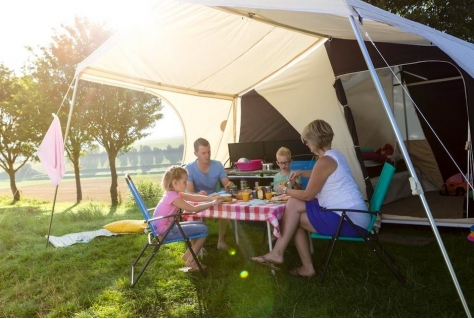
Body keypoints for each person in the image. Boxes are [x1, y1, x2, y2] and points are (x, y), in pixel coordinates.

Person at [252, 119, 370, 277]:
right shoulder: (335, 156)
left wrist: (285, 189)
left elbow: (308, 195)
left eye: (307, 141)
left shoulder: (324, 161)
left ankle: (280, 254)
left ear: (315, 139)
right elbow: (325, 174)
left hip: (349, 221)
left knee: (293, 212)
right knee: (294, 213)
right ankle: (287, 258)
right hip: (355, 215)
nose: (306, 144)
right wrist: (302, 173)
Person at [151, 165, 221, 271]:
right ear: (175, 182)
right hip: (166, 232)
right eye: (184, 182)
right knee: (204, 229)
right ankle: (191, 261)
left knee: (201, 225)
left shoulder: (172, 193)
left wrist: (211, 197)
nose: (186, 184)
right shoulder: (173, 197)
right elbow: (193, 209)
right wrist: (212, 203)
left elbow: (193, 197)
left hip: (164, 229)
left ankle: (188, 255)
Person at [184, 138, 234, 251]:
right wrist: (199, 195)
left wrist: (230, 186)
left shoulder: (218, 165)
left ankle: (221, 242)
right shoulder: (189, 168)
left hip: (214, 197)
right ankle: (197, 245)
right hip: (197, 198)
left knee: (225, 208)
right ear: (195, 153)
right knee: (193, 209)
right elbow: (190, 192)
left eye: (209, 152)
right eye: (203, 153)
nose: (207, 155)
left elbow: (227, 186)